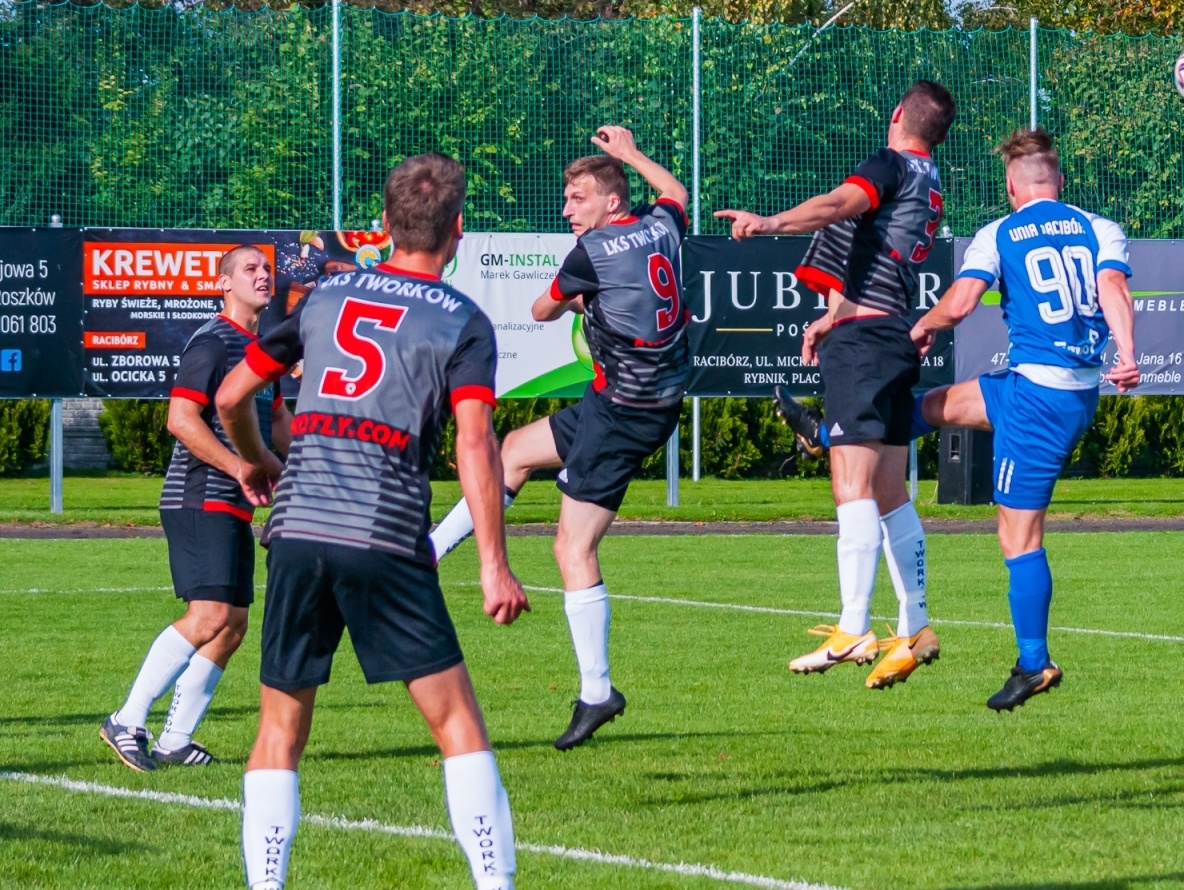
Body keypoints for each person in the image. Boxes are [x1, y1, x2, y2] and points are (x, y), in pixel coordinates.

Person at [216, 153, 529, 890]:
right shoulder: (462, 322)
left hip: (297, 530)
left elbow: (233, 396)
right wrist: (492, 564)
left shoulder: (323, 299)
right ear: (458, 230)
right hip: (383, 532)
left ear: (382, 225)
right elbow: (475, 441)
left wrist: (257, 461)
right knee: (457, 727)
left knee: (280, 732)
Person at [781, 129, 1141, 710]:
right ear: (1061, 181)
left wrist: (920, 327)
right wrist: (1127, 353)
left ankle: (1034, 663)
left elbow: (962, 303)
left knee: (1017, 535)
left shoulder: (999, 234)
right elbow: (1113, 290)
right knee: (920, 408)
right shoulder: (1099, 227)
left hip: (1037, 404)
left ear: (1010, 186)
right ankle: (825, 436)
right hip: (1045, 386)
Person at [427, 126, 689, 750]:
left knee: (572, 550)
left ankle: (597, 691)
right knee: (512, 450)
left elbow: (543, 310)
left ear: (611, 204)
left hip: (624, 409)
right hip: (628, 398)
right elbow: (675, 191)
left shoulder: (591, 254)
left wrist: (581, 299)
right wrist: (629, 154)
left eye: (577, 198)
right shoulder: (662, 227)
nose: (566, 209)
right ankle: (427, 555)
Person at [716, 80, 955, 689]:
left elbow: (839, 204)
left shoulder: (889, 163)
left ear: (899, 115)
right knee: (890, 490)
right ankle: (917, 624)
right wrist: (833, 314)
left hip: (868, 347)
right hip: (893, 335)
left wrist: (769, 223)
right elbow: (878, 263)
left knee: (850, 484)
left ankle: (853, 626)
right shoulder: (929, 181)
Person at [99, 245, 290, 771]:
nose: (262, 276)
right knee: (208, 617)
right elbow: (181, 420)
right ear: (222, 284)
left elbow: (278, 430)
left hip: (234, 507)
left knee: (232, 626)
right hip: (198, 497)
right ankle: (127, 720)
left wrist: (313, 471)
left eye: (266, 269)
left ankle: (174, 739)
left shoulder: (261, 353)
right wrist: (239, 468)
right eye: (249, 269)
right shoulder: (213, 341)